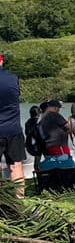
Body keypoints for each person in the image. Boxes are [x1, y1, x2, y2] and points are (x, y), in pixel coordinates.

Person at [0, 54, 26, 196]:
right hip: (14, 129)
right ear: (2, 61)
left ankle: (3, 200)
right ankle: (20, 199)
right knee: (15, 166)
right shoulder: (13, 78)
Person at [38, 100, 73, 169]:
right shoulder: (54, 115)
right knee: (64, 163)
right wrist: (74, 129)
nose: (59, 110)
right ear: (56, 108)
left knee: (55, 164)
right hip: (59, 145)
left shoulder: (43, 116)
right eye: (59, 108)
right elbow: (67, 126)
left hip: (49, 145)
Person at [24, 105, 42, 172]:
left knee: (37, 159)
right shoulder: (40, 122)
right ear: (39, 113)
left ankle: (37, 172)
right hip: (38, 145)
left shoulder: (27, 122)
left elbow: (26, 133)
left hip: (29, 145)